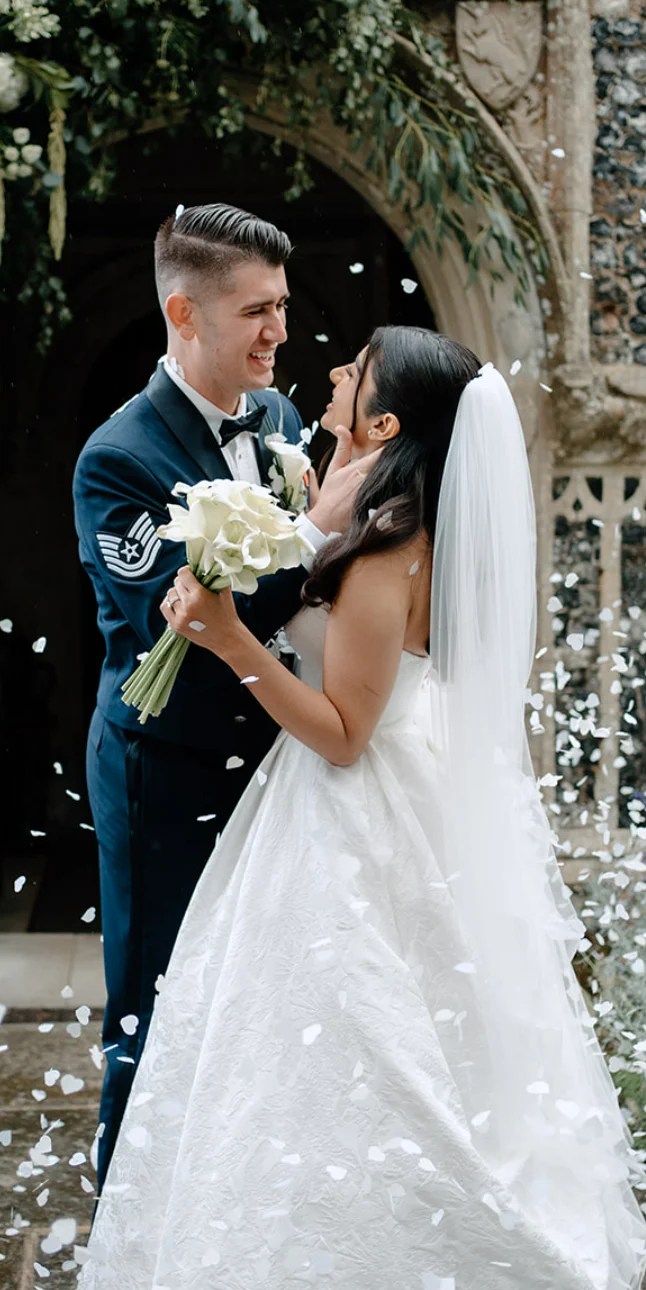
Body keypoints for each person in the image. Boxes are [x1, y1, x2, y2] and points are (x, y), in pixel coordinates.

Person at [46, 325, 646, 1290]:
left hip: (360, 801)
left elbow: (341, 731)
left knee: (360, 1047)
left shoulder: (394, 544)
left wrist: (226, 636)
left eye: (354, 373)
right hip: (335, 800)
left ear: (382, 423)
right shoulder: (353, 487)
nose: (326, 373)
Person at [73, 203, 370, 1183]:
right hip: (165, 763)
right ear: (184, 313)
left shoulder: (281, 421)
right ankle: (124, 1224)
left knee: (257, 1000)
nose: (279, 330)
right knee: (154, 1002)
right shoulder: (118, 461)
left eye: (281, 306)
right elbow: (181, 625)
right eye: (254, 311)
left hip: (273, 760)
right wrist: (322, 523)